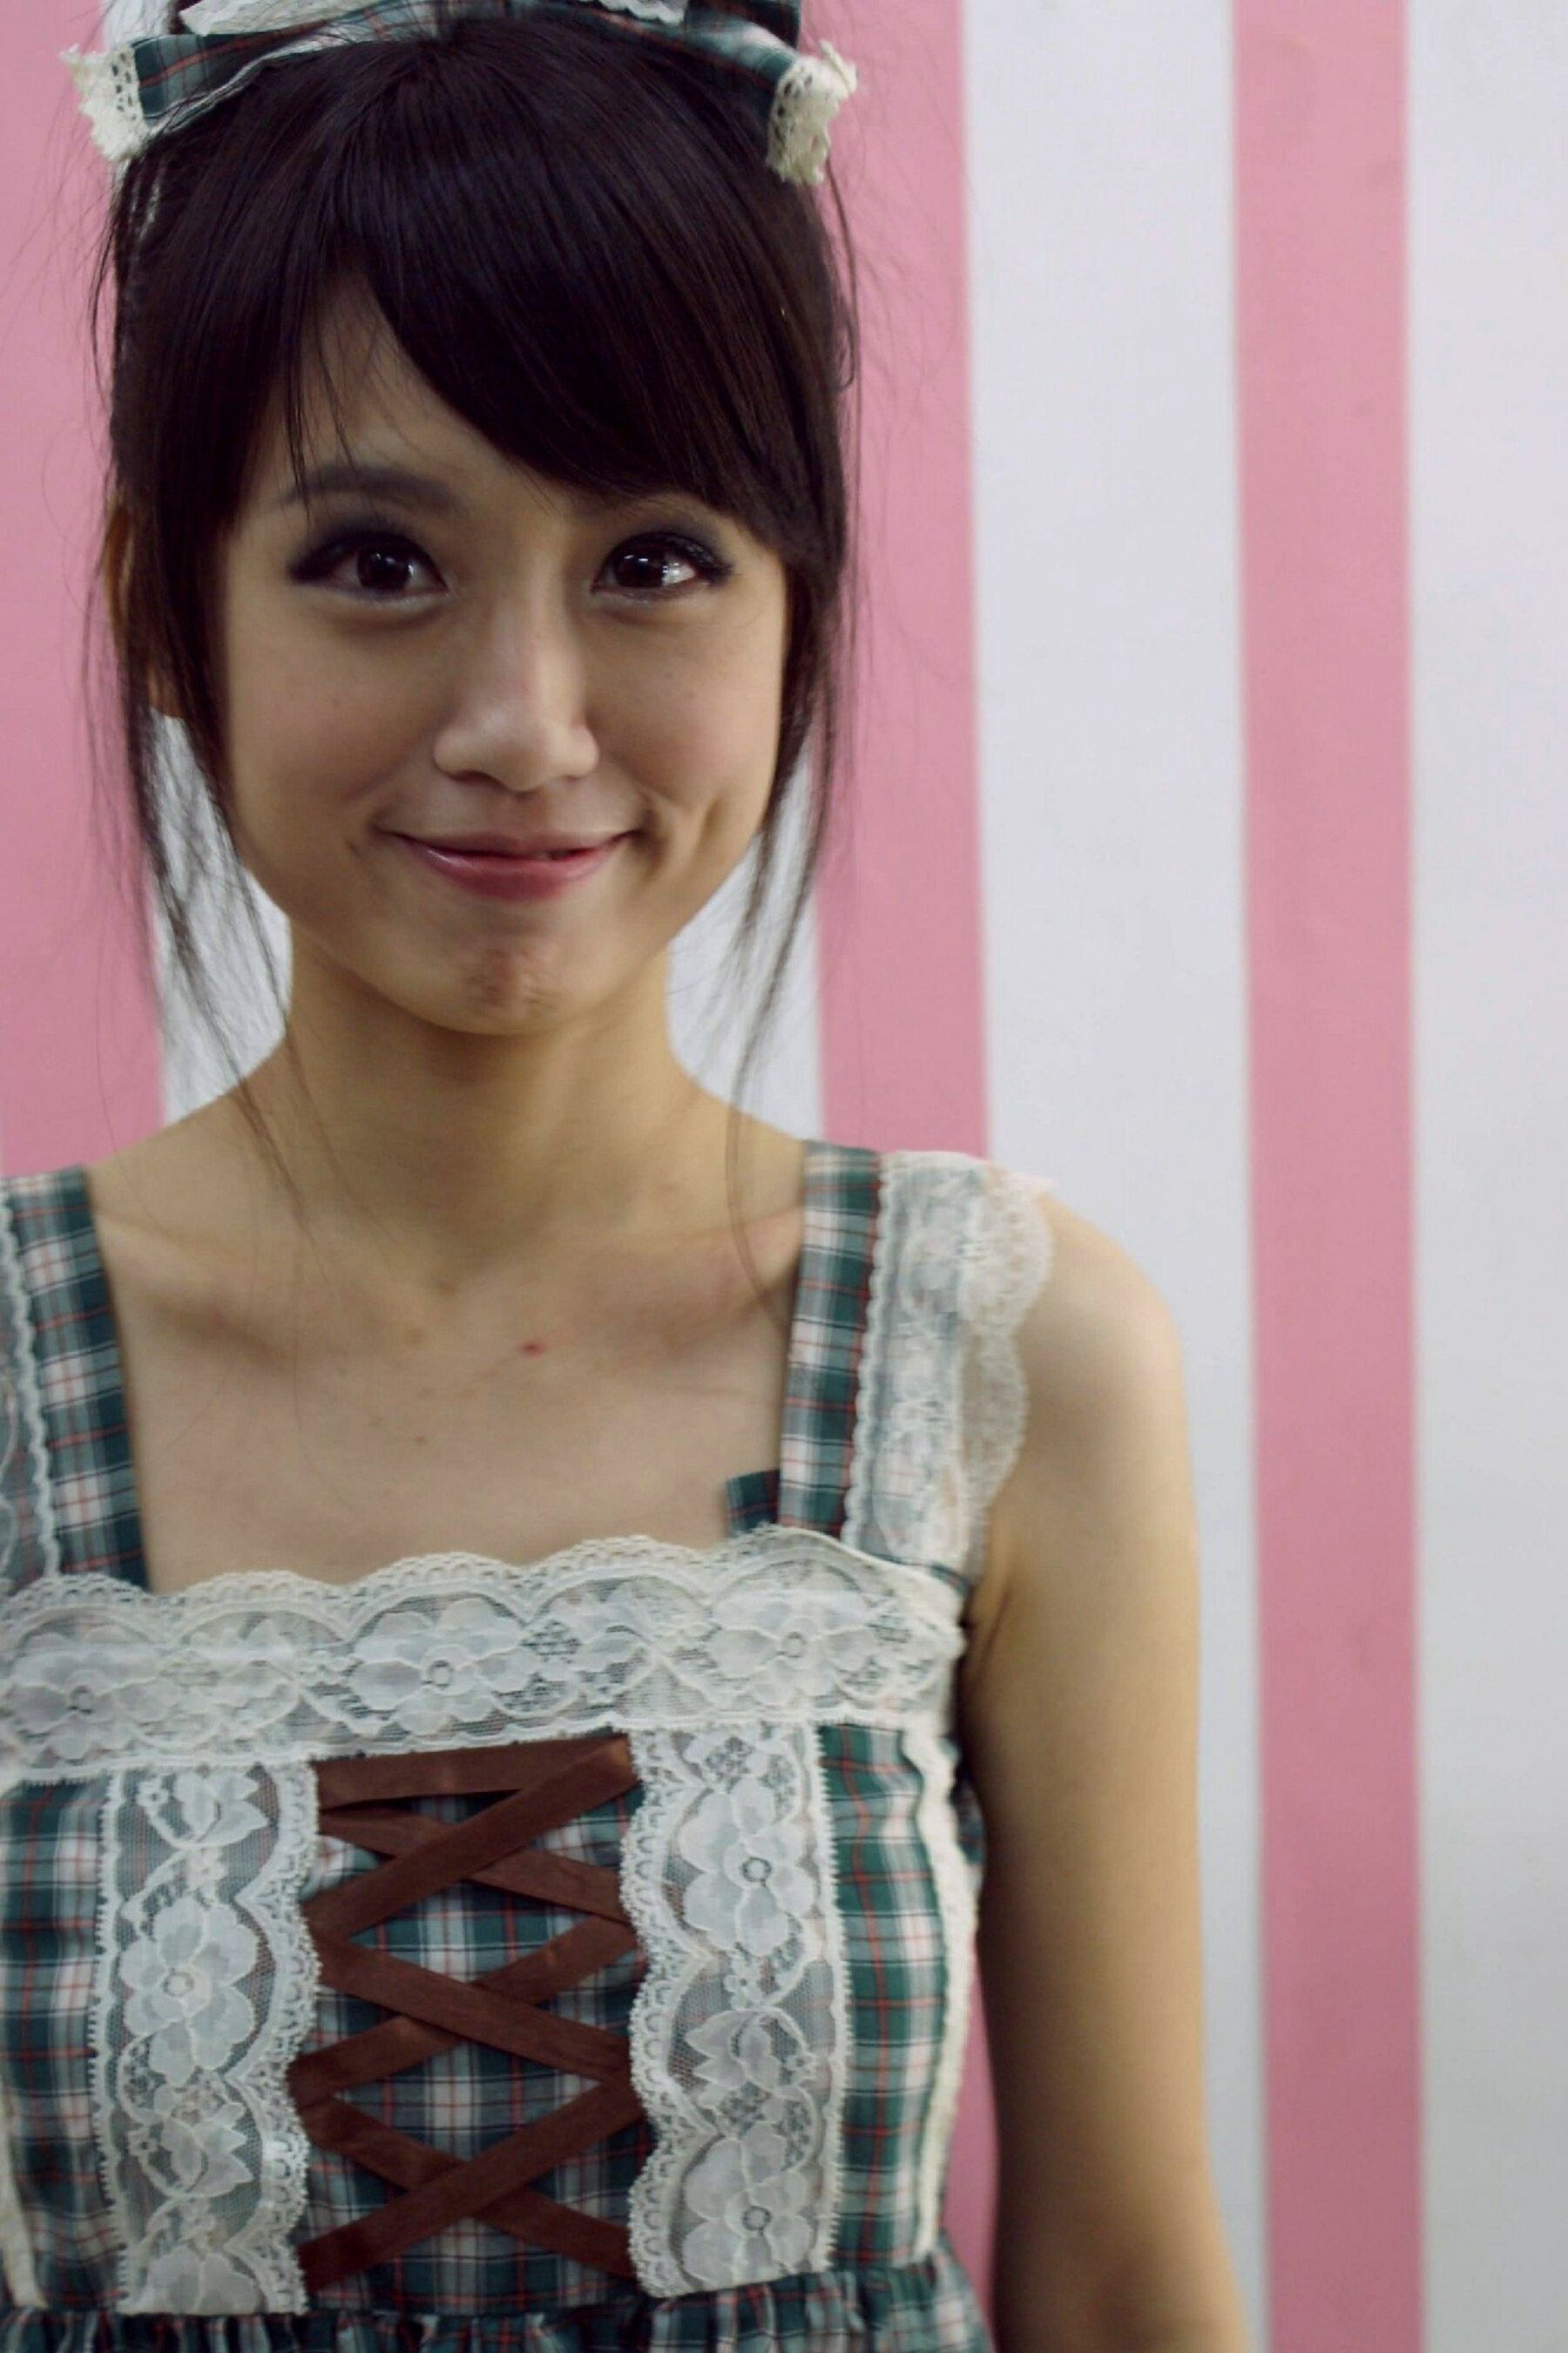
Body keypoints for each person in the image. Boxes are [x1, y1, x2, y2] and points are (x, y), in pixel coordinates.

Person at [0, 3, 1250, 2348]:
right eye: (379, 559)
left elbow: (1121, 2273)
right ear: (166, 610)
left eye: (656, 560)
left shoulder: (1001, 1356)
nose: (525, 722)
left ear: (798, 612)